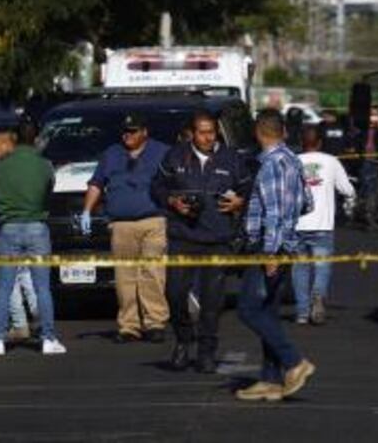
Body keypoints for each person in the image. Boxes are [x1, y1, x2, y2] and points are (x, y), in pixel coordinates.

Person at [152, 110, 251, 373]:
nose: (208, 137)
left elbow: (249, 189)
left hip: (218, 239)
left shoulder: (232, 159)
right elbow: (157, 188)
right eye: (202, 132)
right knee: (174, 294)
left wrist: (241, 202)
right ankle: (183, 341)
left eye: (212, 132)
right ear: (192, 133)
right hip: (183, 237)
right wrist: (172, 201)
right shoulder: (175, 156)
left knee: (212, 301)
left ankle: (207, 351)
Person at [235, 109, 316, 402]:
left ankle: (294, 362)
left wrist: (270, 250)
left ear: (258, 133)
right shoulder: (293, 160)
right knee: (267, 311)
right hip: (286, 244)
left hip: (272, 248)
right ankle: (270, 379)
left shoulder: (271, 164)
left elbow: (275, 211)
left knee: (248, 309)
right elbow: (306, 203)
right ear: (282, 131)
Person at [81, 113, 170, 343]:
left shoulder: (162, 152)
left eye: (133, 131)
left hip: (153, 221)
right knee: (124, 277)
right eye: (125, 131)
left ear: (144, 132)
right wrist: (87, 211)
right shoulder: (111, 154)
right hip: (121, 224)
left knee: (152, 273)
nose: (127, 135)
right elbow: (96, 184)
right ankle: (129, 326)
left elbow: (175, 182)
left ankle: (155, 322)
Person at [0, 116, 65, 356]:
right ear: (37, 138)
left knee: (4, 288)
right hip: (37, 227)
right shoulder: (45, 165)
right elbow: (48, 190)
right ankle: (48, 338)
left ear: (16, 137)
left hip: (8, 227)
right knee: (42, 288)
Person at [293, 125, 355, 325]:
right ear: (320, 142)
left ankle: (302, 313)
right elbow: (347, 189)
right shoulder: (331, 161)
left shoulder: (293, 162)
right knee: (322, 266)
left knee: (299, 269)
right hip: (322, 225)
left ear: (302, 143)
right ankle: (318, 296)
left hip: (297, 225)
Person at [0, 128, 37, 341]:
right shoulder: (32, 166)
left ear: (6, 145)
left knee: (10, 279)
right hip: (32, 228)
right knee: (28, 275)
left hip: (5, 230)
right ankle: (40, 313)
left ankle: (20, 325)